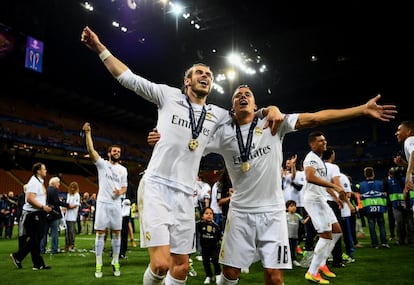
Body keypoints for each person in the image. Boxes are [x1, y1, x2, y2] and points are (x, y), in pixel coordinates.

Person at [81, 26, 282, 285]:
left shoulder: (218, 114)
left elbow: (245, 113)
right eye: (200, 72)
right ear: (187, 80)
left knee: (181, 269)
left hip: (186, 195)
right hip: (156, 186)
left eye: (209, 74)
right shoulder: (168, 95)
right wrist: (100, 48)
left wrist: (270, 109)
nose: (206, 76)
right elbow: (128, 78)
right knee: (161, 264)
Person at [148, 85, 396, 285]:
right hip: (240, 214)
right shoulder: (222, 135)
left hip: (273, 214)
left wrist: (361, 110)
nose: (243, 97)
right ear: (232, 108)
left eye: (248, 94)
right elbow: (189, 141)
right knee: (230, 274)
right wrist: (159, 137)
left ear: (256, 106)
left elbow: (316, 119)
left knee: (275, 278)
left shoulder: (274, 124)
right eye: (237, 96)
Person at [82, 122, 128, 278]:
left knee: (117, 233)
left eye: (119, 151)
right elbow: (91, 150)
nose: (117, 153)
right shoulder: (102, 165)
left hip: (116, 204)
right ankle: (99, 263)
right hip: (102, 203)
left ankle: (115, 261)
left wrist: (120, 191)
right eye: (114, 151)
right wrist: (88, 133)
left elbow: (124, 187)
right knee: (100, 233)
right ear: (109, 153)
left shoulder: (123, 170)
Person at [10, 162, 53, 270]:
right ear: (38, 171)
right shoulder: (34, 182)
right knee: (35, 239)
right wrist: (43, 207)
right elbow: (29, 198)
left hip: (36, 213)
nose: (46, 171)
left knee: (36, 239)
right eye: (44, 169)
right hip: (33, 214)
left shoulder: (38, 181)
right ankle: (18, 256)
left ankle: (37, 264)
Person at [40, 176, 76, 254]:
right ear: (54, 183)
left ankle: (42, 249)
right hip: (54, 214)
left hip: (46, 213)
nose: (59, 184)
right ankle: (54, 249)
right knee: (54, 233)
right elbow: (57, 202)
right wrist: (68, 205)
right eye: (58, 182)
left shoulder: (47, 189)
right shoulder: (54, 190)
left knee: (44, 233)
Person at [358, 166, 390, 249]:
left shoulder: (361, 185)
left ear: (365, 174)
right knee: (381, 225)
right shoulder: (380, 183)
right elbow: (385, 194)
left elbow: (361, 197)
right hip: (380, 208)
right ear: (373, 174)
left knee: (372, 226)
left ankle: (375, 244)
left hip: (368, 209)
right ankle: (384, 242)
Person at [197, 207, 222, 284]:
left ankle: (218, 275)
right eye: (206, 213)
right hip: (204, 247)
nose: (209, 215)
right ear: (202, 216)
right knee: (206, 262)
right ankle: (209, 276)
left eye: (211, 213)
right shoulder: (199, 224)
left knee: (215, 260)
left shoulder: (216, 226)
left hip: (214, 247)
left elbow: (220, 236)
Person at [394, 121, 414, 217]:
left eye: (399, 130)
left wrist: (408, 175)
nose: (396, 133)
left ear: (408, 131)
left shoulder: (409, 139)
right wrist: (404, 164)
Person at [285, 199, 306, 267]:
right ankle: (286, 260)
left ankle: (293, 260)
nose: (294, 207)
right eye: (291, 206)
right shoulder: (285, 215)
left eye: (294, 206)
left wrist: (309, 217)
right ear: (287, 208)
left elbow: (303, 221)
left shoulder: (297, 215)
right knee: (287, 248)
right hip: (287, 236)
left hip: (295, 236)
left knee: (294, 248)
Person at [64, 181, 81, 252]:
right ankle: (67, 244)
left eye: (74, 187)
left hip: (72, 216)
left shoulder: (77, 195)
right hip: (67, 215)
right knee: (67, 231)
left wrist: (67, 206)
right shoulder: (68, 195)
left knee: (71, 231)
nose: (72, 189)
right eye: (71, 187)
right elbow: (67, 204)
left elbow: (75, 205)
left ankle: (72, 244)